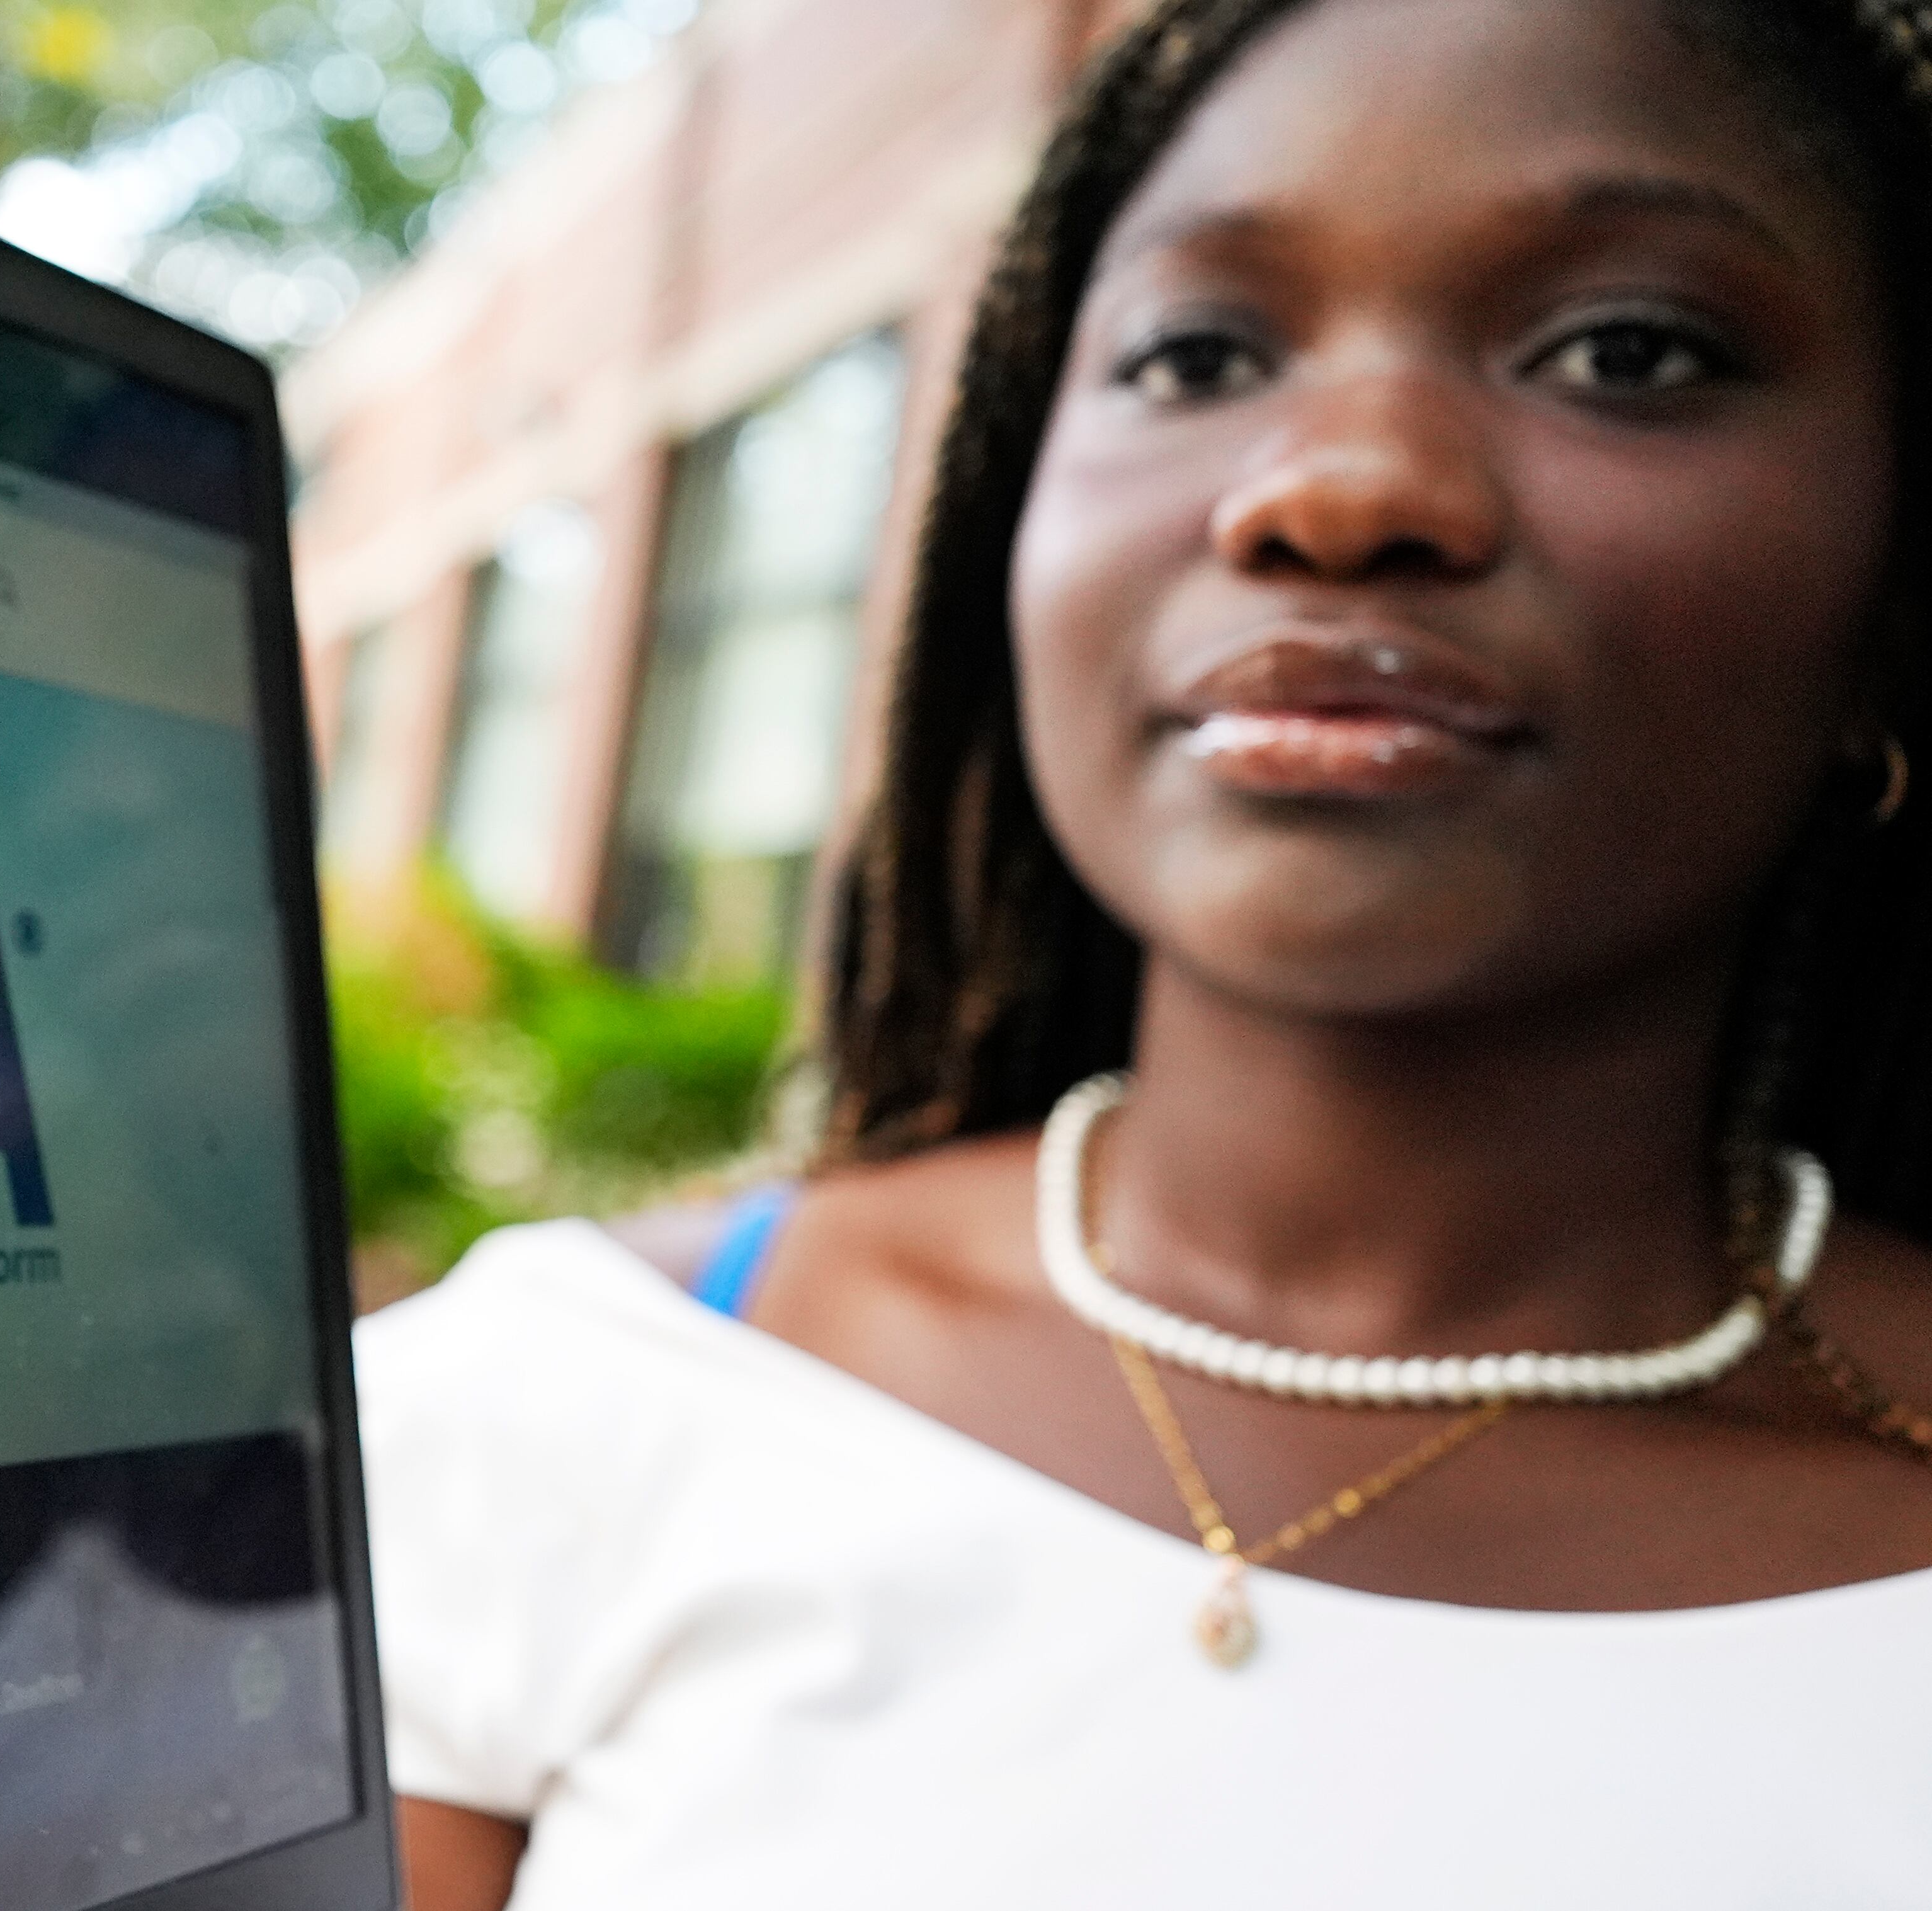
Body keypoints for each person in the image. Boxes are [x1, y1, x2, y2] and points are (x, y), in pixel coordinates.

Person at [355, 2, 1932, 1905]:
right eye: (1195, 354)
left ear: (1893, 593)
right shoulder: (543, 1418)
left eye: (1625, 351)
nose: (1338, 489)